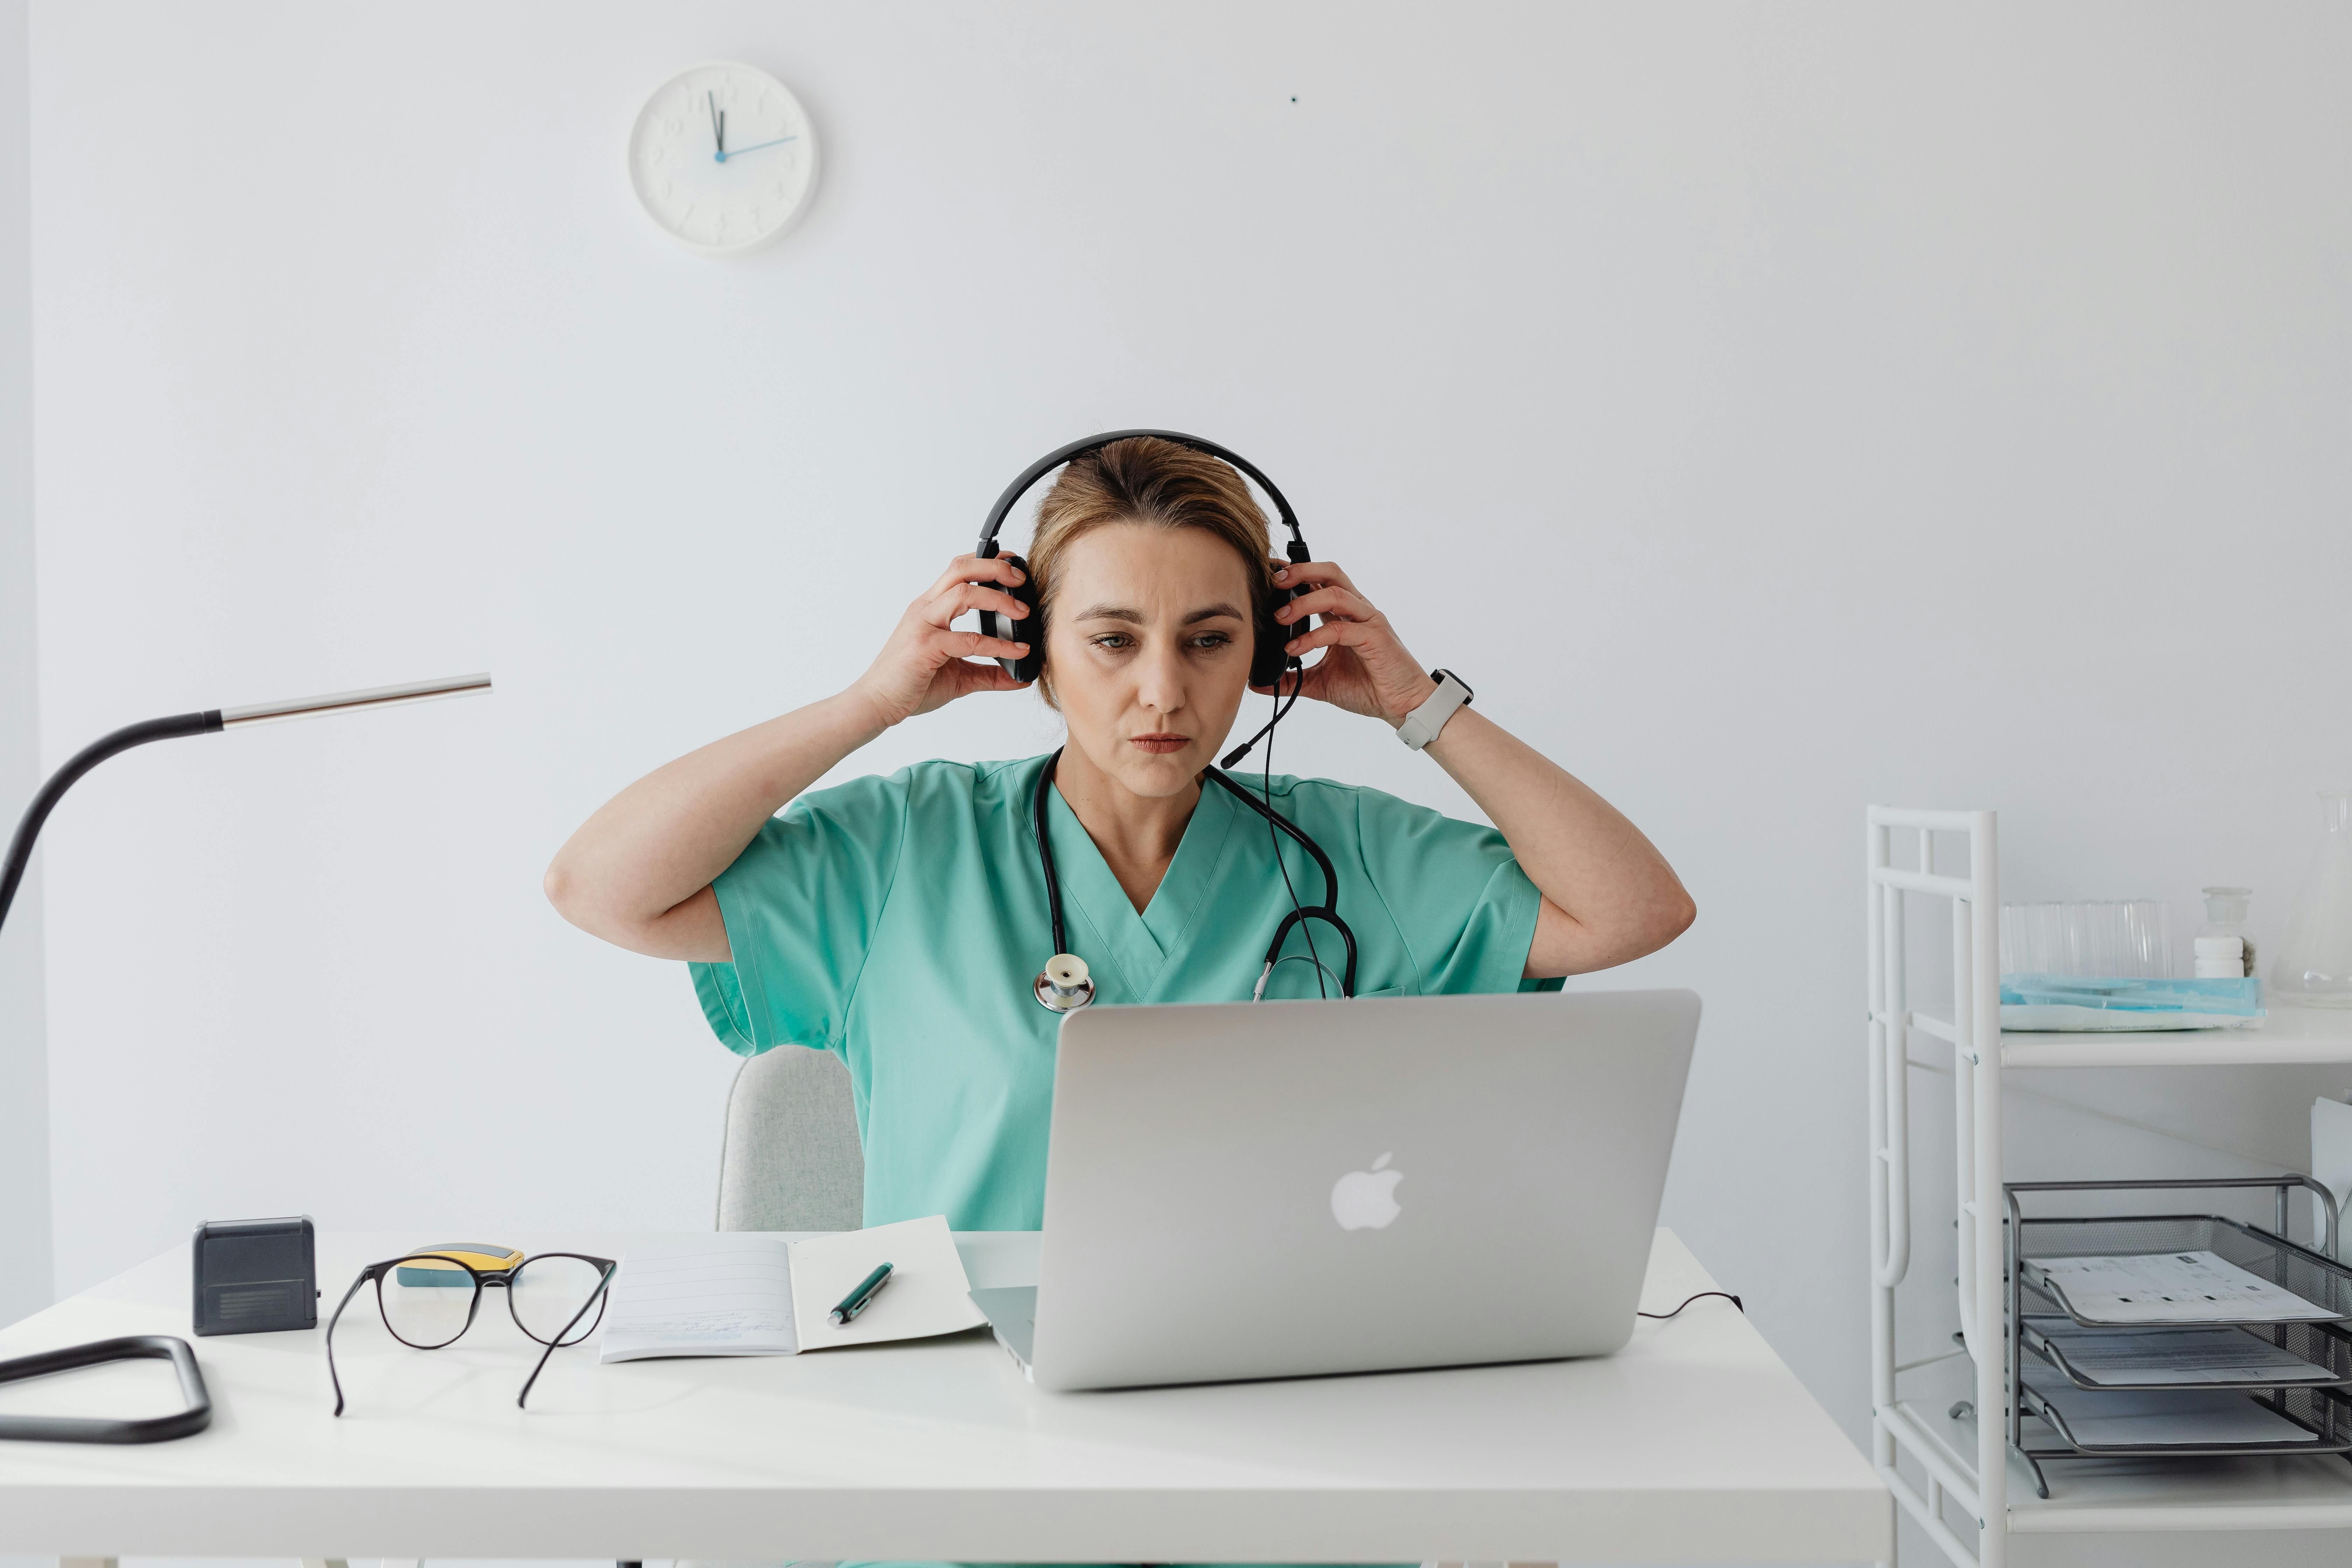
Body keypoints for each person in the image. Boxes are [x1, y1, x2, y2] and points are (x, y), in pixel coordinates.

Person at [545, 436, 1695, 1235]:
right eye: (1110, 639)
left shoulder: (1345, 858)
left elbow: (1635, 911)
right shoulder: (906, 848)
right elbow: (602, 886)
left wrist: (1415, 703)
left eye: (1208, 640)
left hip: (1268, 1419)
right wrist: (872, 704)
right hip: (971, 1451)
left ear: (1270, 651)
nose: (1164, 691)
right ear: (1027, 645)